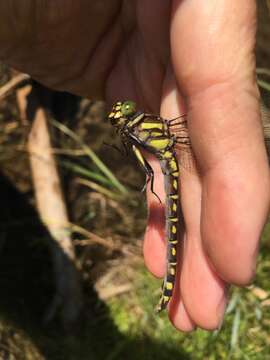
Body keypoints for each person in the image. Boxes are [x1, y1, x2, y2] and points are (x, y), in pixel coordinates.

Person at [0, 0, 269, 332]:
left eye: (124, 113)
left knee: (173, 199)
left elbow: (137, 155)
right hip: (163, 157)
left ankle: (168, 287)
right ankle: (168, 286)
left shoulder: (143, 128)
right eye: (121, 115)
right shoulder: (139, 126)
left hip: (167, 160)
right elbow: (134, 152)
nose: (120, 113)